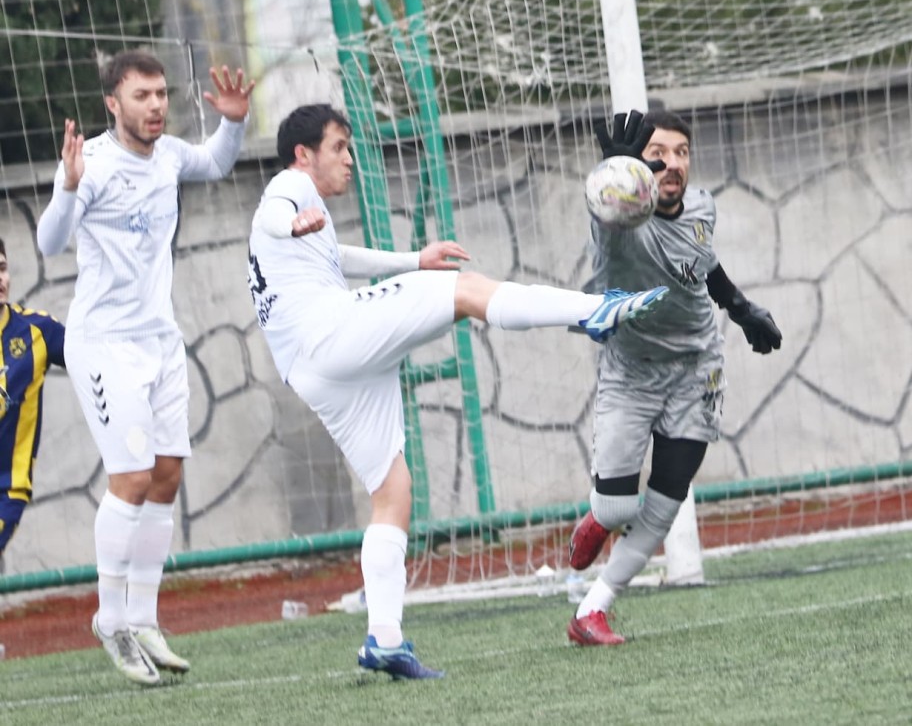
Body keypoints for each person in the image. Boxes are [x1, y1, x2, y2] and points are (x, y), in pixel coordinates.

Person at [247, 103, 669, 680]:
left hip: (312, 365)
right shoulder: (289, 187)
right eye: (340, 146)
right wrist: (286, 223)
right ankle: (594, 311)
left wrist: (410, 260)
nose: (350, 159)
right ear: (304, 154)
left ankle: (385, 640)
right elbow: (274, 213)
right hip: (328, 334)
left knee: (392, 492)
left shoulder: (310, 212)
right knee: (466, 289)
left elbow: (336, 257)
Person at [36, 49, 254, 685]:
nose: (156, 105)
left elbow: (214, 162)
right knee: (130, 477)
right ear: (113, 103)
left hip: (160, 341)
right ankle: (110, 619)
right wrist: (69, 188)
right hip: (104, 343)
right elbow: (49, 243)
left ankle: (144, 618)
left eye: (161, 94)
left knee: (166, 477)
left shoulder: (169, 156)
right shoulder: (92, 166)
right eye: (142, 96)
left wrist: (235, 123)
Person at [566, 110, 783, 646]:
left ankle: (592, 611)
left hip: (696, 372)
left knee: (664, 504)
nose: (672, 164)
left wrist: (741, 308)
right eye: (659, 152)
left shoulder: (703, 206)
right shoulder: (619, 222)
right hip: (630, 373)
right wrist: (617, 167)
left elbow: (704, 263)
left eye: (682, 152)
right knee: (618, 508)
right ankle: (599, 517)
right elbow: (611, 209)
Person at [0, 238, 66, 561]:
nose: (0, 279)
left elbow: (92, 358)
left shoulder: (36, 330)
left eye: (2, 268)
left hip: (6, 490)